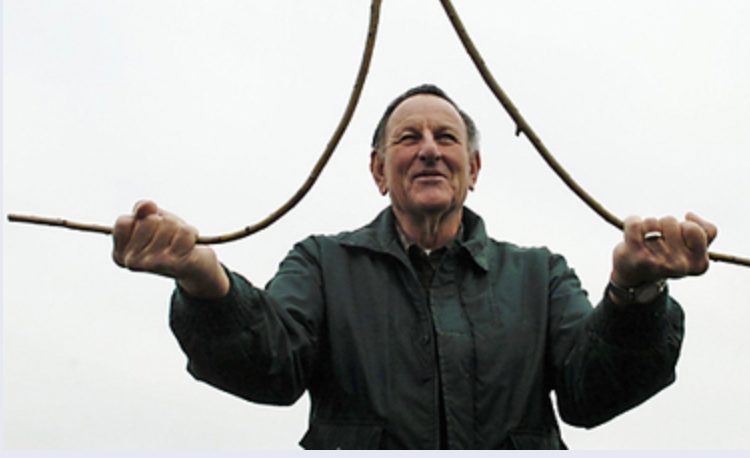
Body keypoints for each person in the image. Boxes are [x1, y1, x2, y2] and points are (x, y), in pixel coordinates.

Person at [112, 83, 717, 449]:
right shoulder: (323, 264)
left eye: (446, 138)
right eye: (408, 138)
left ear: (473, 170)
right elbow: (271, 366)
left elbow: (593, 393)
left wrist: (635, 293)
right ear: (379, 171)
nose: (429, 147)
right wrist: (200, 278)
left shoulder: (539, 276)